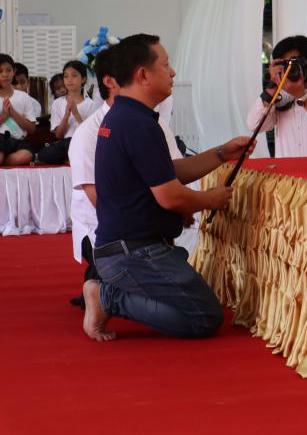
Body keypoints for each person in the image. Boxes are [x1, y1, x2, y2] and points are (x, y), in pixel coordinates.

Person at [82, 34, 254, 341]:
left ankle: (112, 293)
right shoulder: (137, 123)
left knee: (201, 308)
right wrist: (209, 199)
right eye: (165, 64)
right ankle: (108, 298)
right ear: (143, 75)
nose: (172, 72)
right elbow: (170, 196)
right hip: (134, 251)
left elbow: (167, 173)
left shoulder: (127, 117)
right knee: (204, 317)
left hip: (128, 247)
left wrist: (220, 153)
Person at [69, 46, 195, 307]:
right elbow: (100, 202)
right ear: (110, 82)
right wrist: (195, 201)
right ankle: (105, 291)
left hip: (143, 221)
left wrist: (219, 155)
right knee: (193, 308)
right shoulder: (87, 133)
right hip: (110, 231)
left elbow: (173, 171)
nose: (171, 73)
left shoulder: (153, 122)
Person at [246, 35, 307, 157]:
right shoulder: (279, 94)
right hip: (287, 169)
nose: (289, 69)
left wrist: (301, 96)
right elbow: (254, 125)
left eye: (294, 63)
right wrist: (271, 88)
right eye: (285, 65)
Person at [37, 60, 97, 165]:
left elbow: (90, 134)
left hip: (83, 142)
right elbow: (59, 135)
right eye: (66, 76)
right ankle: (71, 159)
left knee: (87, 147)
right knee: (43, 154)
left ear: (83, 79)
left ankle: (69, 159)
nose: (69, 80)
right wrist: (66, 115)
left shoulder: (91, 104)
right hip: (66, 143)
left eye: (74, 76)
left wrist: (76, 113)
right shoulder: (57, 103)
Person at [0, 53, 37, 165]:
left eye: (8, 70)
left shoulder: (23, 97)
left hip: (17, 141)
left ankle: (4, 161)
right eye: (0, 71)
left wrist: (13, 113)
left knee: (26, 155)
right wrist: (4, 116)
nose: (5, 74)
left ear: (14, 71)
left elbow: (32, 129)